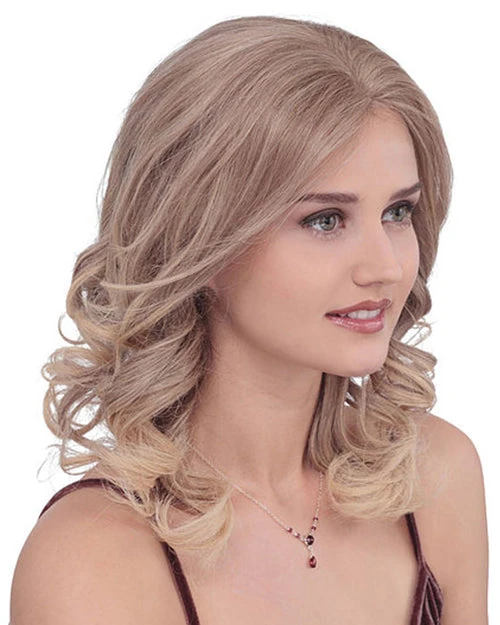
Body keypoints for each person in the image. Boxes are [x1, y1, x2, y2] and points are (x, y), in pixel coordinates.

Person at [10, 15, 488, 625]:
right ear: (199, 240)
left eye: (398, 212)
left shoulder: (434, 475)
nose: (387, 268)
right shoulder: (94, 559)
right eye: (325, 220)